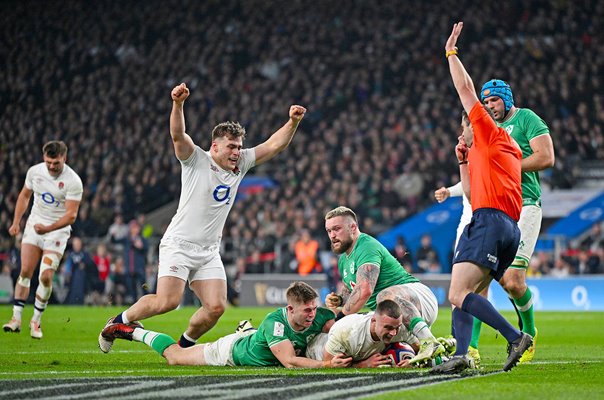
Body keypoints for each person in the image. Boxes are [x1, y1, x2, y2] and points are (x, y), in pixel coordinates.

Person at [99, 83, 307, 353]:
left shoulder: (241, 163)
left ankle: (184, 346)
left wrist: (293, 121)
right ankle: (117, 322)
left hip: (208, 250)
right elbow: (177, 135)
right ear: (215, 147)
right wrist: (177, 104)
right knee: (167, 301)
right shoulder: (196, 159)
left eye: (239, 146)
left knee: (216, 307)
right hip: (179, 244)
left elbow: (274, 145)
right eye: (231, 146)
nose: (237, 152)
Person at [432, 22, 532, 373]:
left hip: (489, 222)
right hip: (507, 228)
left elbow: (464, 88)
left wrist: (451, 52)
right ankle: (461, 355)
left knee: (457, 295)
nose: (462, 132)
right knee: (467, 293)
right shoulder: (501, 150)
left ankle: (514, 336)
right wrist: (462, 162)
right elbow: (473, 194)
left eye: (464, 127)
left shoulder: (487, 132)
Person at [477, 75, 554, 363]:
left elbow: (546, 157)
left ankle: (529, 333)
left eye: (494, 100)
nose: (490, 106)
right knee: (497, 281)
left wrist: (510, 166)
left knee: (513, 278)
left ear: (506, 98)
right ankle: (472, 346)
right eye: (485, 102)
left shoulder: (526, 119)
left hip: (526, 206)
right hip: (498, 210)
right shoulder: (488, 128)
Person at [100, 281, 352, 368]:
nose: (311, 314)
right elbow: (289, 361)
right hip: (230, 353)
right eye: (305, 310)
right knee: (175, 357)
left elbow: (340, 323)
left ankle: (248, 331)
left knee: (258, 340)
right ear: (289, 309)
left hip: (256, 345)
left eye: (312, 308)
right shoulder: (276, 323)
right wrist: (327, 364)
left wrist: (341, 304)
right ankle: (130, 331)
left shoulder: (319, 315)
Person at [323, 206, 447, 366]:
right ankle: (440, 357)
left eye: (337, 229)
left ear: (353, 227)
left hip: (418, 298)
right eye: (329, 231)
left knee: (383, 298)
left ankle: (428, 341)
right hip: (389, 315)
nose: (332, 235)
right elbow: (352, 292)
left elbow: (364, 290)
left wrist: (339, 319)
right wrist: (339, 300)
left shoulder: (366, 246)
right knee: (365, 338)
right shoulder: (343, 260)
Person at [3, 141, 83, 338]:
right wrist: (16, 222)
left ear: (64, 158)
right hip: (34, 226)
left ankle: (36, 321)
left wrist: (48, 228)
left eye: (56, 163)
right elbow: (24, 196)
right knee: (24, 271)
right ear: (43, 158)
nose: (51, 166)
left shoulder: (73, 181)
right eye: (48, 162)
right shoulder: (35, 172)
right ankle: (16, 319)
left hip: (57, 232)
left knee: (46, 276)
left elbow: (71, 216)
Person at [306, 299, 445, 368]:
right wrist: (363, 364)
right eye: (388, 327)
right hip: (316, 349)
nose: (393, 333)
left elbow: (422, 348)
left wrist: (412, 360)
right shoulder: (346, 332)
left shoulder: (399, 329)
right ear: (373, 321)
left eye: (396, 327)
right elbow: (330, 363)